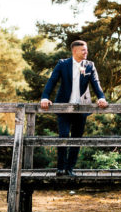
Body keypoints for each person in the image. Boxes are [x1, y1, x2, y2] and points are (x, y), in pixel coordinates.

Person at [40, 40, 108, 176]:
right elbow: (52, 81)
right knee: (63, 136)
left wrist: (101, 97)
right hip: (64, 107)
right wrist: (45, 97)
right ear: (74, 51)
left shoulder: (90, 65)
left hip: (81, 108)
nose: (86, 52)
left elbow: (95, 82)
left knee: (77, 138)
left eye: (86, 50)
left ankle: (70, 168)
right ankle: (60, 168)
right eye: (83, 50)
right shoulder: (62, 64)